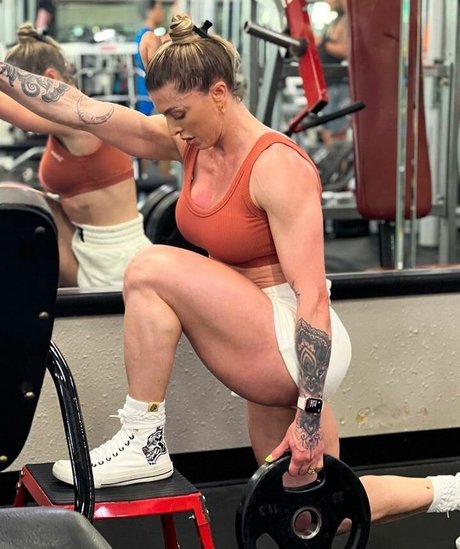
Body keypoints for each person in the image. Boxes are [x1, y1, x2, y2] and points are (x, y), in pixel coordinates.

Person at [0, 13, 458, 532]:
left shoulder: (277, 165)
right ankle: (451, 491)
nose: (173, 128)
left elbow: (312, 296)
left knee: (149, 266)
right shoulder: (190, 142)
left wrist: (309, 415)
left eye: (179, 113)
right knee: (316, 516)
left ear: (219, 93)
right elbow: (79, 109)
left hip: (292, 339)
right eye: (165, 115)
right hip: (255, 329)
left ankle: (144, 439)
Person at [0, 23, 151, 288]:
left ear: (50, 78)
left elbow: (16, 113)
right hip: (83, 248)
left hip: (115, 261)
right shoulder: (60, 127)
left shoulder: (81, 121)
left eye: (17, 95)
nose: (16, 101)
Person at [316, 0, 350, 147]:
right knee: (327, 129)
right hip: (328, 84)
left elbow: (346, 50)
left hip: (337, 85)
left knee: (335, 133)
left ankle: (336, 157)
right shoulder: (338, 18)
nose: (327, 2)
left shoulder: (347, 20)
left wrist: (323, 44)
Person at [134, 1, 166, 116]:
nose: (163, 12)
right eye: (160, 8)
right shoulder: (148, 38)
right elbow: (157, 73)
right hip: (149, 97)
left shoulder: (142, 35)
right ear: (150, 11)